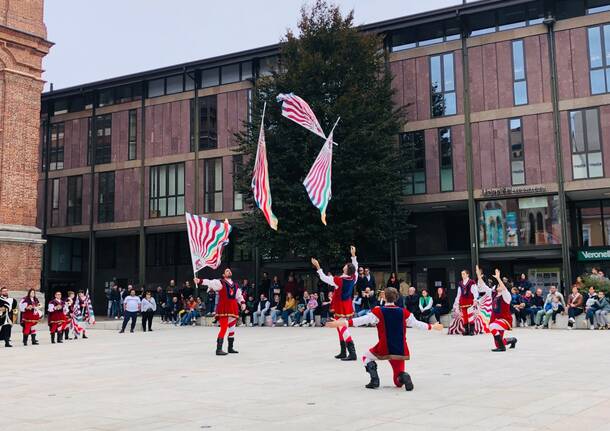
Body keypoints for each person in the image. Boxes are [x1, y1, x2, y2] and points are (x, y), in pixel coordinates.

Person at [327, 287, 443, 390]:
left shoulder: (378, 311)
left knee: (366, 357)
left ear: (384, 297)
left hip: (384, 347)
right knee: (397, 382)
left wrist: (342, 323)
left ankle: (374, 380)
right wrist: (433, 326)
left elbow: (361, 320)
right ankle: (403, 376)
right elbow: (417, 324)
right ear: (396, 298)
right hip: (400, 349)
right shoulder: (404, 312)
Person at [312, 245, 359, 361]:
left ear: (346, 269)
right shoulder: (353, 278)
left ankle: (352, 353)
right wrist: (353, 256)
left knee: (342, 327)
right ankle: (343, 351)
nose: (344, 265)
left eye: (346, 265)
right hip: (346, 304)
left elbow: (324, 278)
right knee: (339, 327)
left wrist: (318, 267)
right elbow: (356, 268)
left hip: (340, 305)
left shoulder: (339, 280)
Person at [194, 268, 246, 355]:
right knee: (224, 328)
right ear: (223, 275)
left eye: (229, 271)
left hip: (233, 308)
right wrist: (199, 281)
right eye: (226, 271)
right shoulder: (220, 282)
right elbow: (210, 282)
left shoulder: (236, 285)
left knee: (232, 328)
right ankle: (218, 349)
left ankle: (230, 348)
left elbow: (239, 296)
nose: (228, 271)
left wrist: (242, 303)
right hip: (224, 308)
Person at [477, 267, 517, 352]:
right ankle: (512, 340)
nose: (498, 286)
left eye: (499, 285)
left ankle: (502, 348)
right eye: (498, 285)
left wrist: (498, 278)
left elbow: (504, 288)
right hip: (496, 319)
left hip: (505, 320)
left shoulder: (506, 296)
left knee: (492, 326)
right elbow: (483, 286)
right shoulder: (494, 293)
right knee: (497, 342)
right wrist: (478, 275)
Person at [453, 269, 478, 336]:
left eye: (464, 274)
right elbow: (459, 293)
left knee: (470, 315)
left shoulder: (471, 282)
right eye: (462, 274)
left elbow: (475, 292)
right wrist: (457, 302)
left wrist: (475, 299)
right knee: (465, 316)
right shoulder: (460, 283)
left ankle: (472, 331)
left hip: (470, 300)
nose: (462, 275)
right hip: (463, 301)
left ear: (467, 274)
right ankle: (466, 330)